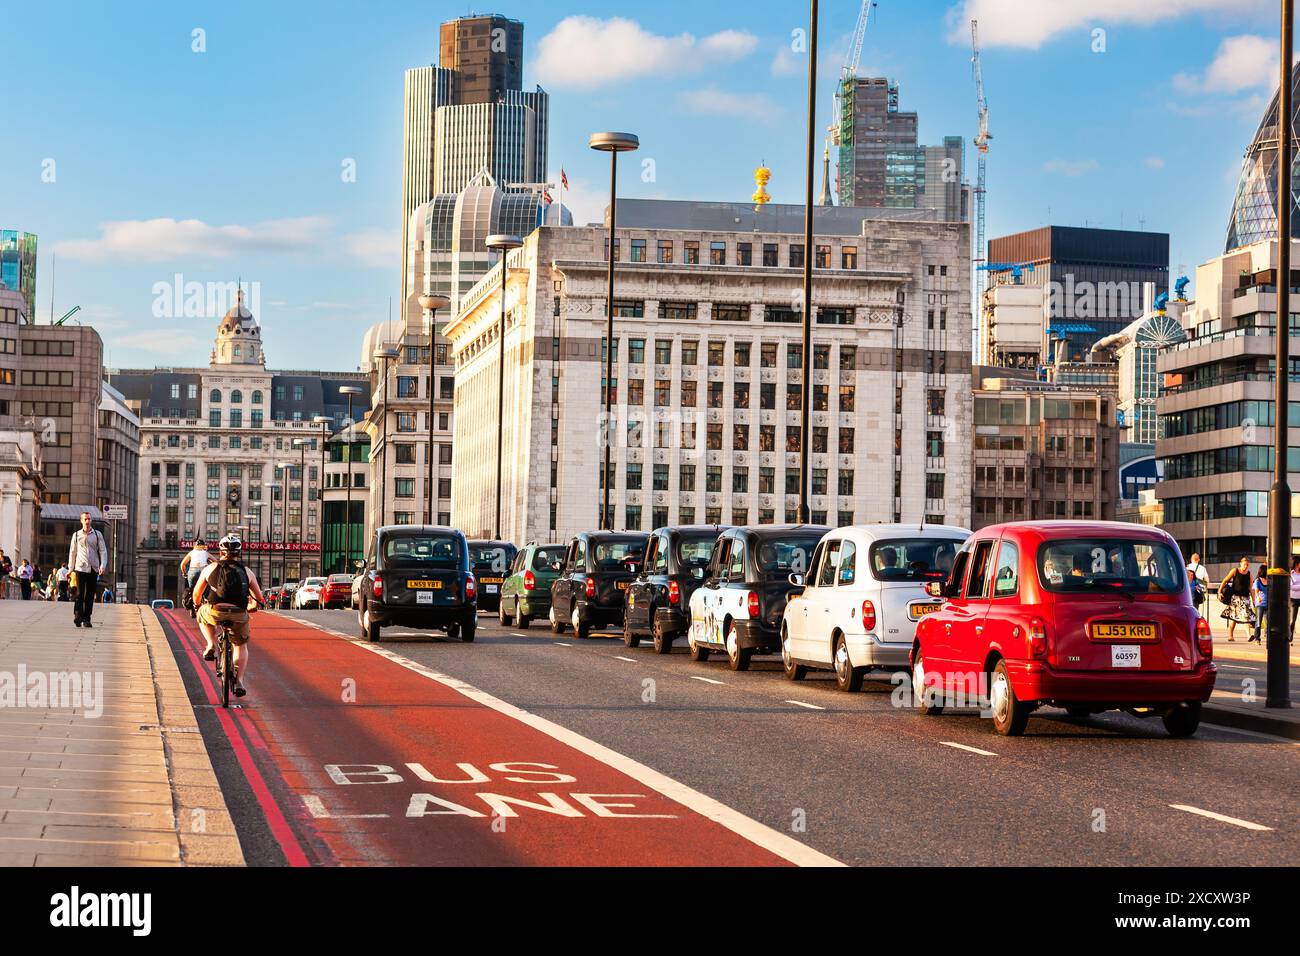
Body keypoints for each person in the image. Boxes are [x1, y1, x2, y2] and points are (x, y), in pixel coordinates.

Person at [193, 536, 265, 698]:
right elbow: (259, 599)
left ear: (220, 552)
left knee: (202, 613)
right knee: (241, 645)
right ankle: (239, 681)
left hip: (215, 610)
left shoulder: (210, 568)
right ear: (238, 553)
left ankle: (211, 644)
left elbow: (197, 594)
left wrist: (198, 607)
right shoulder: (247, 571)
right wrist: (252, 608)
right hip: (239, 613)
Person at [67, 511, 109, 628]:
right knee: (79, 593)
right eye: (85, 519)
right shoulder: (76, 535)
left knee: (90, 595)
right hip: (80, 568)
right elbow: (72, 553)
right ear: (81, 521)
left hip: (93, 568)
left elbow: (103, 551)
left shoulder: (97, 534)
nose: (87, 521)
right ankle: (77, 616)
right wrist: (70, 569)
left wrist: (102, 566)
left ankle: (87, 618)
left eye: (89, 519)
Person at [1218, 556, 1255, 643]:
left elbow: (1251, 588)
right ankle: (1230, 635)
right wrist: (1219, 591)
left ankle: (1249, 635)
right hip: (1235, 598)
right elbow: (1225, 580)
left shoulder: (1249, 574)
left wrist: (1253, 600)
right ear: (1240, 564)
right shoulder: (1235, 571)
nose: (1246, 566)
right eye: (1244, 564)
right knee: (1234, 618)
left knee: (1246, 616)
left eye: (1247, 565)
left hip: (1245, 598)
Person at [1186, 552, 1210, 625]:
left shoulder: (1187, 567)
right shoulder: (1202, 568)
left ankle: (1189, 623)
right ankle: (1195, 622)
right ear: (1198, 559)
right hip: (1198, 591)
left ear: (1191, 559)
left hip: (1187, 590)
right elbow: (1207, 580)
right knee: (1195, 608)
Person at [1250, 564, 1268, 644]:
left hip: (1268, 603)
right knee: (1258, 621)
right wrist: (1258, 597)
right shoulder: (1257, 581)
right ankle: (1257, 638)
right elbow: (1256, 590)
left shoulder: (1269, 580)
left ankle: (1268, 636)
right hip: (1260, 604)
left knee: (1268, 621)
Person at [1290, 557, 1300, 643]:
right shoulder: (1291, 574)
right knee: (1293, 619)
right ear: (1297, 564)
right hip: (1293, 599)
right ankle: (1290, 636)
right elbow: (1291, 587)